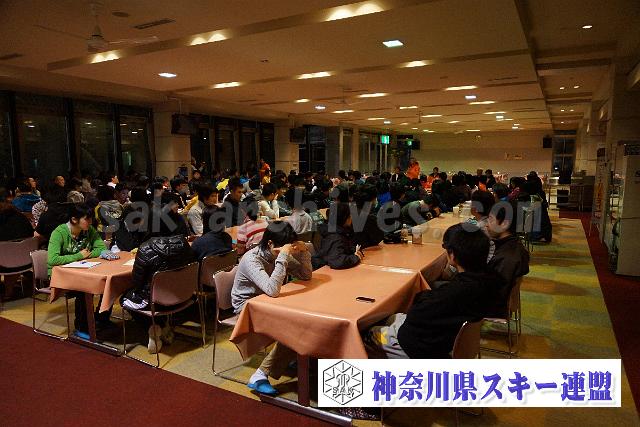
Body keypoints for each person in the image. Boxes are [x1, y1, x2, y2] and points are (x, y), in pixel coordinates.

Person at [365, 224, 503, 359]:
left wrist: (422, 298)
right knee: (391, 318)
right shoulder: (492, 280)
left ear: (452, 255)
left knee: (368, 332)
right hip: (447, 339)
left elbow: (416, 313)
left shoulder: (454, 293)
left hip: (420, 347)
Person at [231, 222, 312, 395]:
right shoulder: (252, 259)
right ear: (270, 243)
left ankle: (291, 355)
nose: (287, 251)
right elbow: (272, 290)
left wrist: (304, 251)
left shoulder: (275, 253)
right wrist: (283, 256)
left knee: (304, 320)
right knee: (295, 328)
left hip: (268, 303)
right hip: (247, 308)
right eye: (283, 247)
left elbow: (305, 275)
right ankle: (260, 375)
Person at [121, 222, 196, 354]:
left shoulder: (145, 249)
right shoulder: (184, 244)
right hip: (184, 296)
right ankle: (164, 325)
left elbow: (137, 282)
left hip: (155, 302)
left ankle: (154, 326)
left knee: (124, 298)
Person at [47, 204, 108, 338]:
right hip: (60, 276)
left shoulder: (89, 230)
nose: (90, 222)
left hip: (84, 272)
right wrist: (79, 256)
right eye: (87, 219)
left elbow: (102, 249)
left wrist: (86, 255)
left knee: (108, 284)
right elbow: (52, 259)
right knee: (84, 289)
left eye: (91, 219)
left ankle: (101, 320)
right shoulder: (59, 233)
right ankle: (82, 327)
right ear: (74, 219)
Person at [486, 201, 530, 317]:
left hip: (492, 305)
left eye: (490, 219)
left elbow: (495, 292)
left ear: (504, 224)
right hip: (496, 299)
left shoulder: (508, 257)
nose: (486, 224)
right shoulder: (513, 246)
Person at [312, 203, 362, 270]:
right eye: (350, 215)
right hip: (324, 271)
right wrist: (355, 257)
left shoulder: (339, 231)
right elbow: (337, 262)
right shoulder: (335, 237)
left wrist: (354, 251)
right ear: (344, 218)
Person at [0, 202, 35, 299]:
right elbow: (31, 234)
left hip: (4, 264)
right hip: (26, 261)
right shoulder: (22, 218)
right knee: (11, 254)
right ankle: (8, 291)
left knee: (6, 255)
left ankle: (6, 291)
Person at [352, 184, 384, 248]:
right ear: (373, 200)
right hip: (364, 251)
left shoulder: (348, 212)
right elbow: (378, 238)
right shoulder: (370, 219)